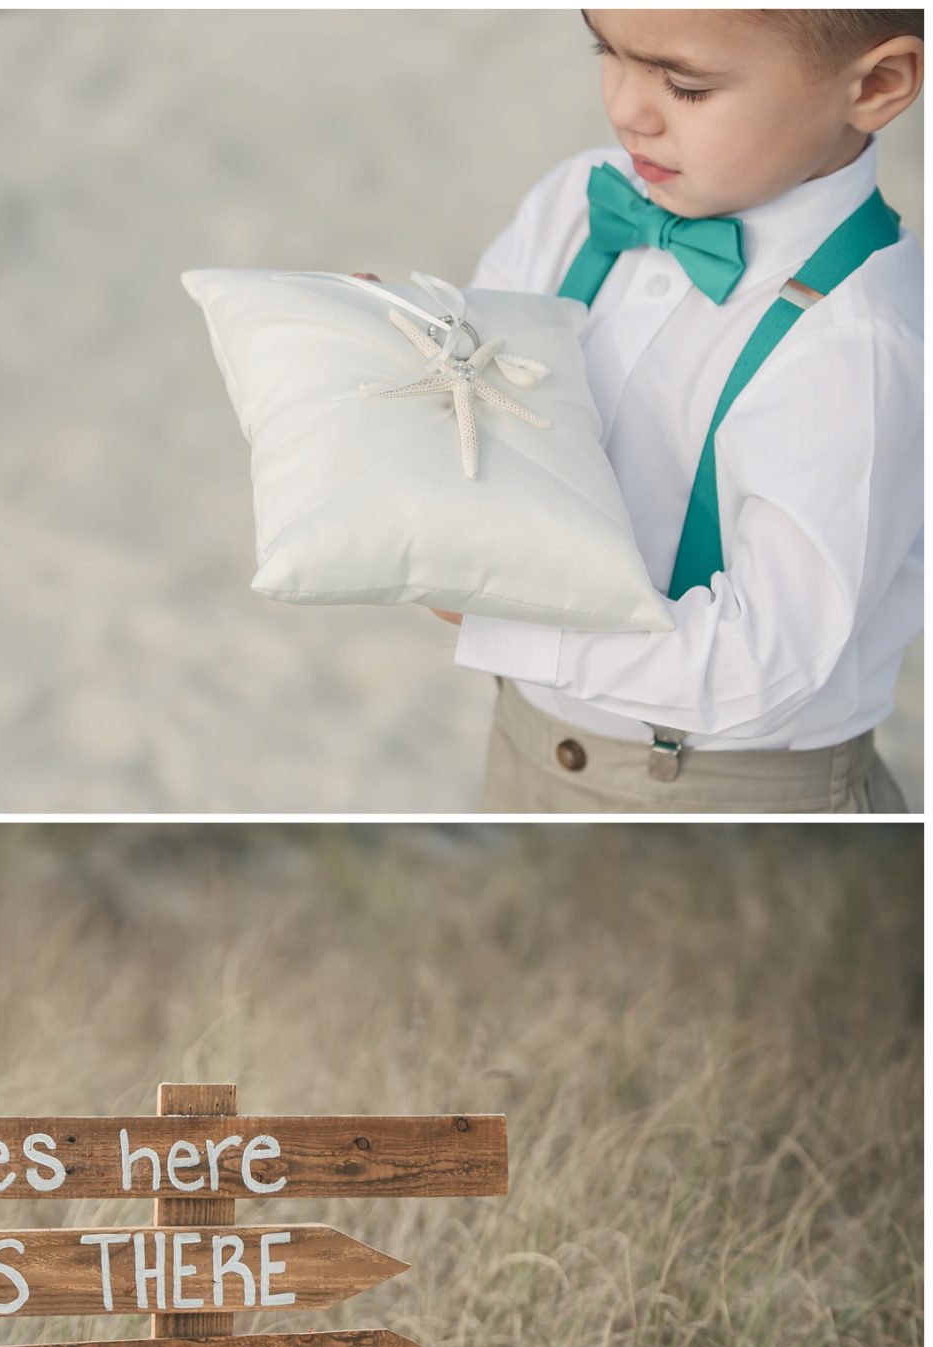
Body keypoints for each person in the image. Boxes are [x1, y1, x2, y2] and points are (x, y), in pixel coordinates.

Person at [383, 9, 922, 812]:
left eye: (684, 85)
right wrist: (384, 341)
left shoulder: (856, 348)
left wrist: (511, 619)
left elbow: (763, 661)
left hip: (730, 795)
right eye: (607, 50)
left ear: (876, 85)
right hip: (526, 736)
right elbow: (469, 375)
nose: (626, 107)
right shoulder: (577, 199)